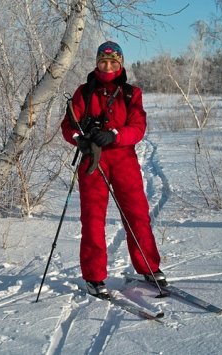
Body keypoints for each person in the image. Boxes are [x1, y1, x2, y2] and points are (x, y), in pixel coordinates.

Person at [61, 41, 166, 299]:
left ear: (120, 64)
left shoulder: (131, 93)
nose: (107, 66)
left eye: (113, 62)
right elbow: (68, 125)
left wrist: (115, 135)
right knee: (93, 219)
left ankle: (149, 268)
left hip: (123, 160)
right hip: (92, 161)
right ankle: (94, 276)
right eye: (103, 61)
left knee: (137, 215)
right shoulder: (83, 92)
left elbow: (137, 128)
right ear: (97, 62)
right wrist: (79, 139)